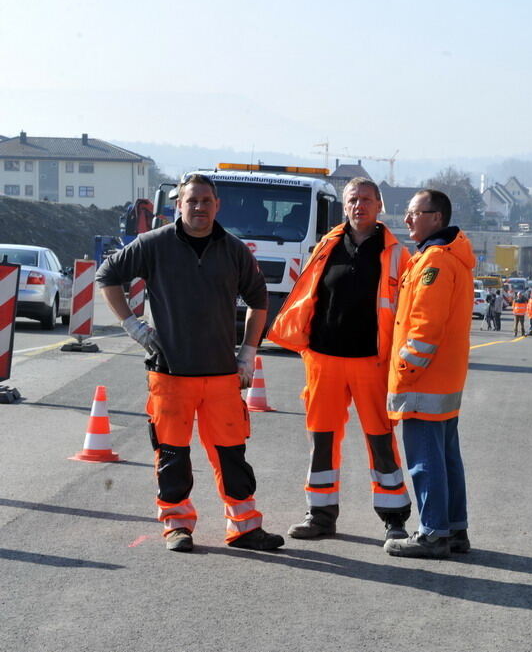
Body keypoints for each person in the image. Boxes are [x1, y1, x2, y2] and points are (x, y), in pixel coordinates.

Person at [96, 173, 284, 553]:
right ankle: (177, 525)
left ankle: (244, 526)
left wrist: (248, 352)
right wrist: (132, 324)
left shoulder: (233, 250)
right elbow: (108, 275)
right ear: (178, 205)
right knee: (172, 455)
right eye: (192, 201)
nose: (199, 207)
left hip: (221, 375)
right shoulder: (153, 245)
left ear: (218, 205)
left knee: (232, 455)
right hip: (171, 373)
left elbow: (259, 300)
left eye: (206, 201)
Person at [268, 178, 412, 543]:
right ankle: (319, 516)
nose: (359, 205)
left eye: (366, 199)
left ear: (379, 205)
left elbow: (407, 313)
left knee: (380, 439)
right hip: (323, 358)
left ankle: (394, 518)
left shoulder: (397, 254)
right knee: (322, 438)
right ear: (344, 205)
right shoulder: (327, 245)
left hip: (372, 361)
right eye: (352, 200)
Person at [384, 189, 473, 558]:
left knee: (425, 460)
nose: (407, 220)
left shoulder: (434, 262)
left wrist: (403, 373)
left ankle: (433, 533)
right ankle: (453, 529)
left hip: (424, 381)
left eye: (414, 213)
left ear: (436, 218)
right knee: (446, 457)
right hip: (444, 382)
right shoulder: (450, 256)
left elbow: (424, 328)